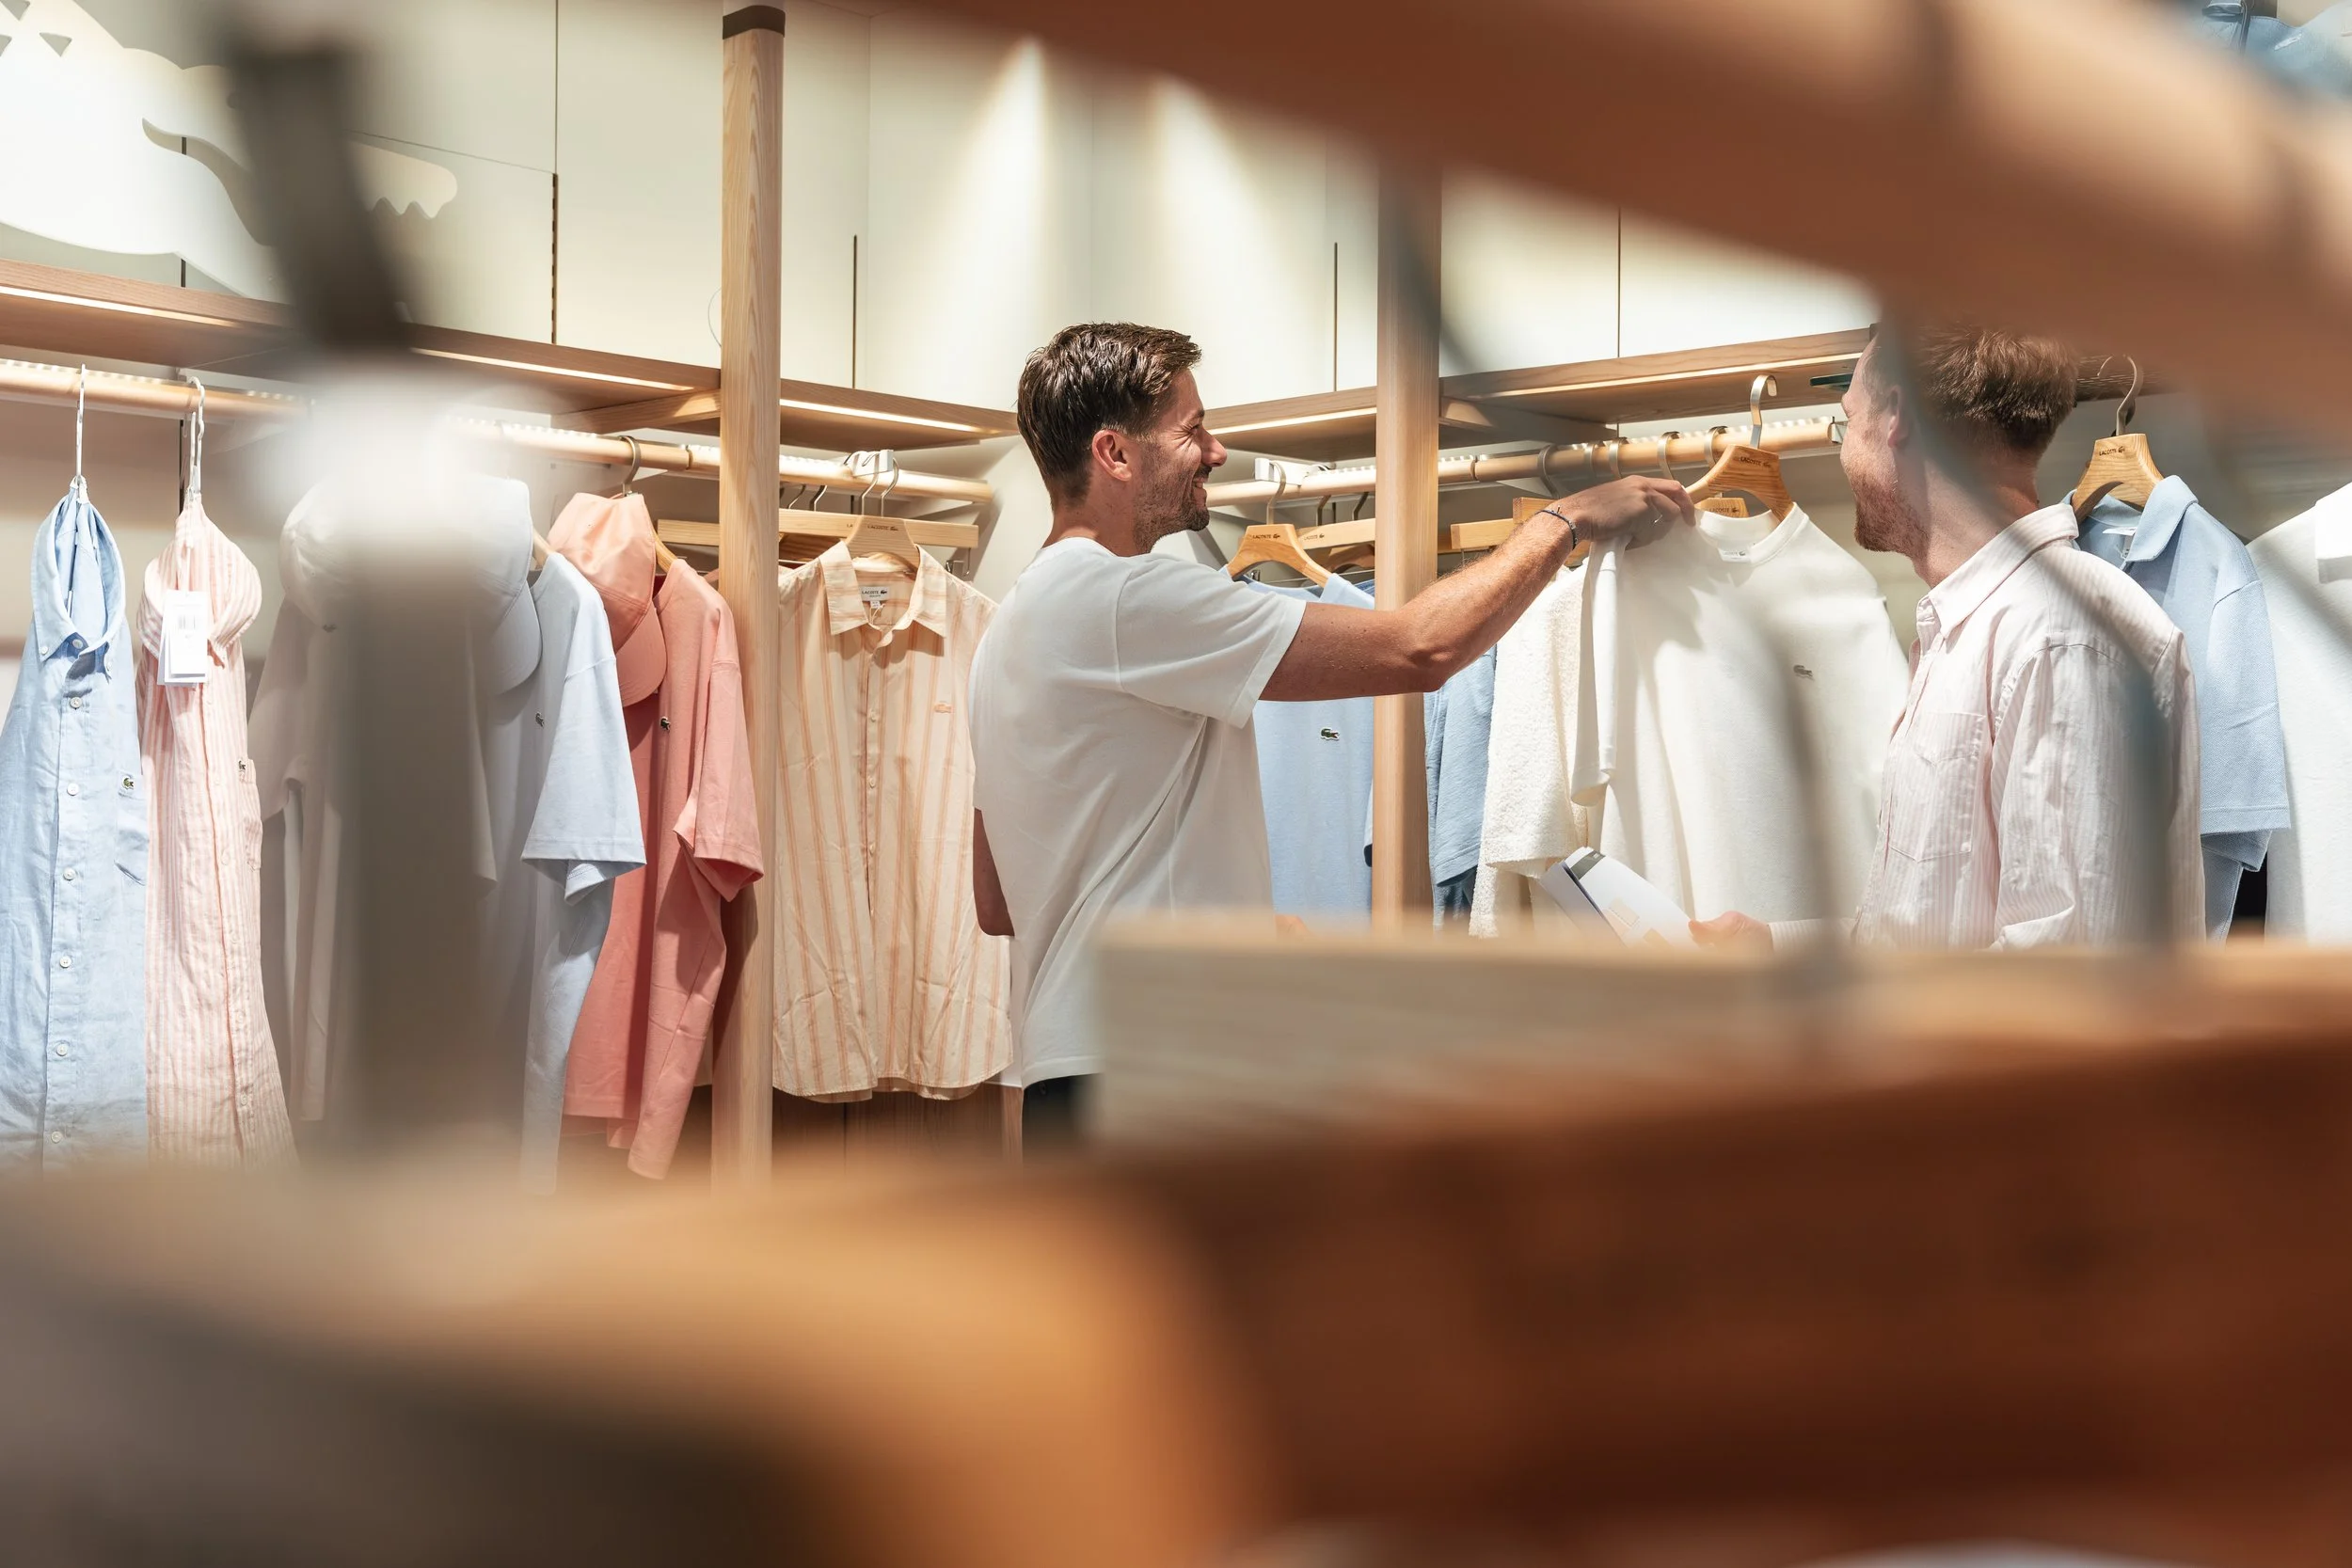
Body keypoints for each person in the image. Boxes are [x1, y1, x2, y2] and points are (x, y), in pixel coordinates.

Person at [968, 322, 1690, 1143]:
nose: (1216, 449)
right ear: (1115, 454)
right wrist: (1566, 520)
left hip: (1066, 1074)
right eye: (1192, 429)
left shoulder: (1006, 632)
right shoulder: (1131, 601)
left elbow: (997, 901)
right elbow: (1420, 648)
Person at [1693, 323, 2203, 952]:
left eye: (1849, 418)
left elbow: (2064, 977)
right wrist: (1771, 946)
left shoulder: (2063, 638)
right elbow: (1922, 935)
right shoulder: (1973, 627)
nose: (1845, 449)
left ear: (1896, 417)